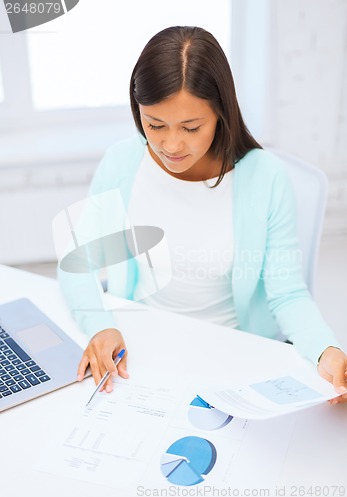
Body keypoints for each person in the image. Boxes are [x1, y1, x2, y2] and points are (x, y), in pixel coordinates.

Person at [58, 26, 347, 403]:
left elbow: (287, 294)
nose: (171, 145)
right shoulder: (122, 163)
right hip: (141, 351)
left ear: (221, 114)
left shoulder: (265, 177)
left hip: (233, 355)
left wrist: (327, 352)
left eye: (191, 127)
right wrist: (99, 327)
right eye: (154, 125)